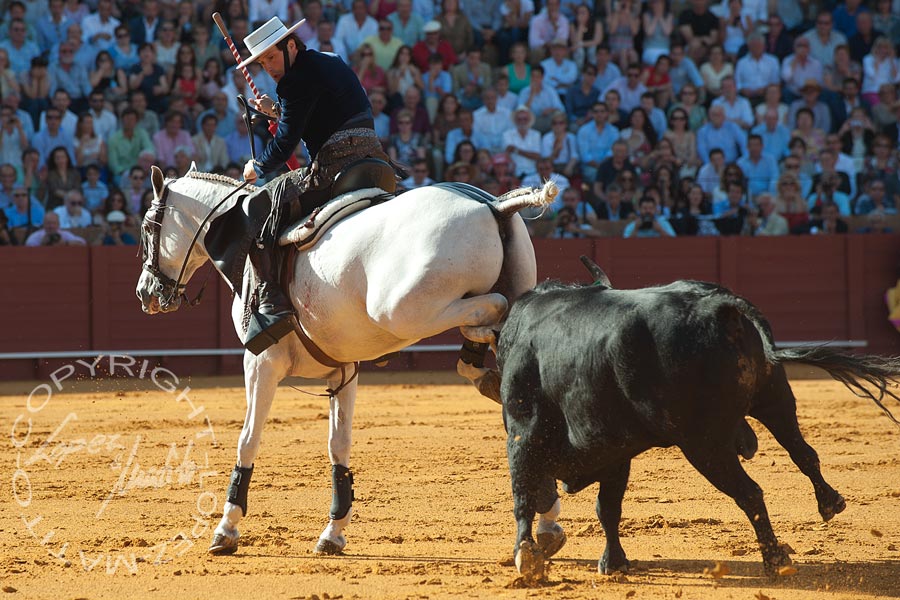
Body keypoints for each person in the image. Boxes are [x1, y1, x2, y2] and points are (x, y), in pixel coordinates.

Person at [228, 17, 394, 355]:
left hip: (335, 165)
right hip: (374, 160)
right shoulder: (328, 59)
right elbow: (322, 112)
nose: (268, 68)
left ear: (290, 45)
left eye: (271, 58)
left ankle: (273, 305)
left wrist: (258, 166)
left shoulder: (293, 82)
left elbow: (287, 141)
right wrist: (278, 112)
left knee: (262, 207)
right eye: (261, 63)